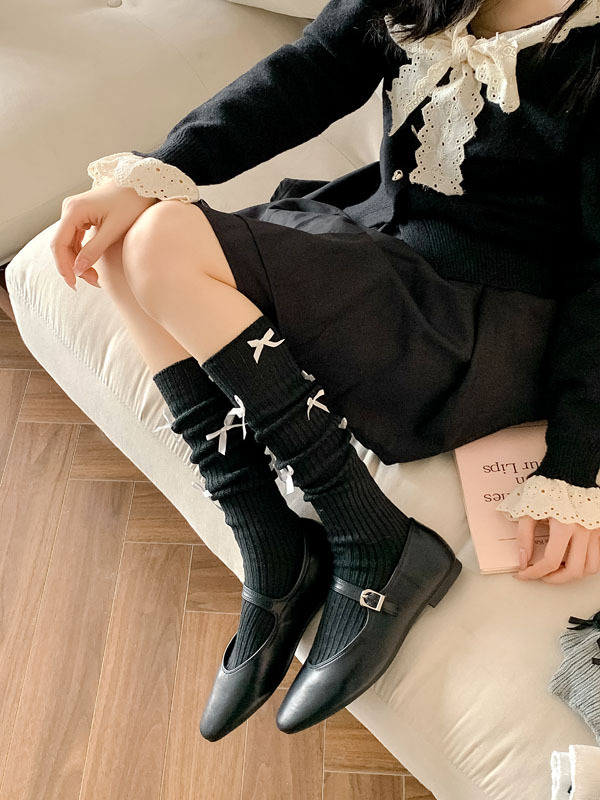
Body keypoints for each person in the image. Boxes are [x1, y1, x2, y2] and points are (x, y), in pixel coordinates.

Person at [50, 0, 600, 740]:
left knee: (160, 244)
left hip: (481, 321)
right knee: (131, 233)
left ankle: (367, 534)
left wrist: (574, 466)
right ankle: (269, 537)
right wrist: (151, 172)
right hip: (381, 239)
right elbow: (308, 71)